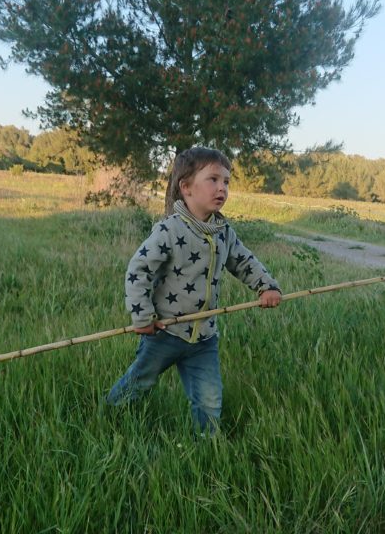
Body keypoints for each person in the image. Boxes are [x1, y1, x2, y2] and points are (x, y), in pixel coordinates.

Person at [107, 145, 283, 434]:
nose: (222, 188)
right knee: (139, 382)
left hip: (204, 337)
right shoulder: (169, 230)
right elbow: (139, 270)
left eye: (226, 181)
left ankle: (208, 443)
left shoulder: (224, 232)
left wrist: (267, 287)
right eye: (213, 179)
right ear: (186, 187)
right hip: (164, 332)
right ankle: (110, 416)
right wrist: (142, 316)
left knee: (209, 400)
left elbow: (244, 261)